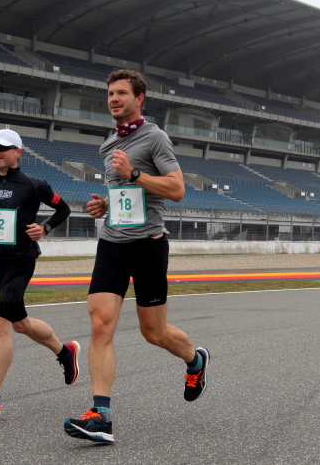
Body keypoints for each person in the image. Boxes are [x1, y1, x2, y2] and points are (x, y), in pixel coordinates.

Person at [63, 70, 210, 444]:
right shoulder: (109, 143)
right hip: (111, 244)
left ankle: (195, 361)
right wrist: (104, 205)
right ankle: (101, 416)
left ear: (139, 98)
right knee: (100, 324)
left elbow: (176, 189)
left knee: (154, 333)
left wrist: (134, 173)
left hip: (147, 246)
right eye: (110, 94)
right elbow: (123, 194)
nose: (113, 99)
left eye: (121, 93)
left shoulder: (155, 137)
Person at [0, 128, 79, 416]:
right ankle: (65, 352)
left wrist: (45, 228)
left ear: (18, 153)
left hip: (21, 261)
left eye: (2, 147)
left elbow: (63, 209)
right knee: (21, 324)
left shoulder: (34, 185)